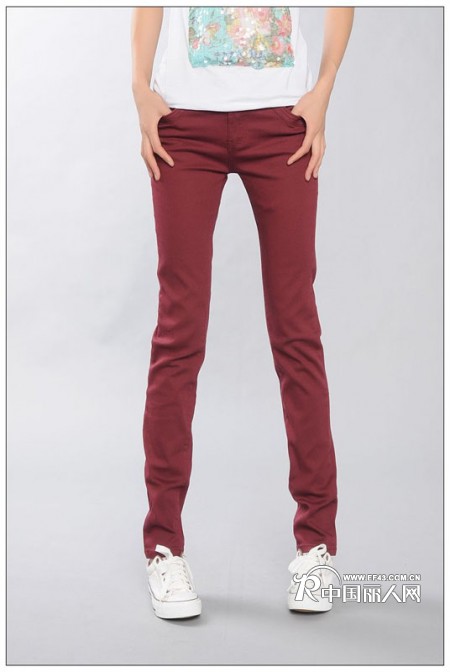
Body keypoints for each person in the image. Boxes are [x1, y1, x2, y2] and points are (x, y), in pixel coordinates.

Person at [131, 6, 354, 620]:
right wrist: (141, 89)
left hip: (283, 122)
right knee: (178, 336)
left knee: (297, 333)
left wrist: (323, 89)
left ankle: (316, 547)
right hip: (183, 123)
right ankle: (163, 546)